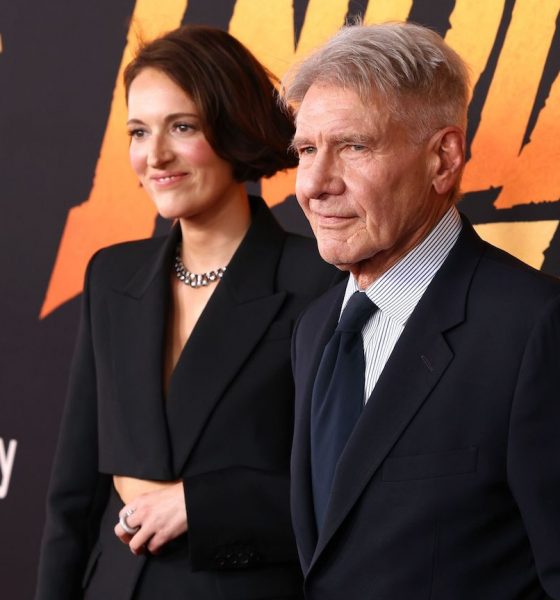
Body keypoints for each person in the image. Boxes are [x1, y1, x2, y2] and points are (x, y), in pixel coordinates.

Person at [35, 25, 341, 599]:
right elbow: (73, 499)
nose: (155, 157)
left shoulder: (321, 283)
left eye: (182, 126)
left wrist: (199, 504)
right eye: (138, 131)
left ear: (233, 129)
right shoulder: (111, 276)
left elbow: (346, 492)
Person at [281, 21, 560, 599]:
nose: (313, 184)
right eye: (306, 150)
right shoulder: (314, 329)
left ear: (443, 158)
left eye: (353, 146)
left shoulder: (535, 329)